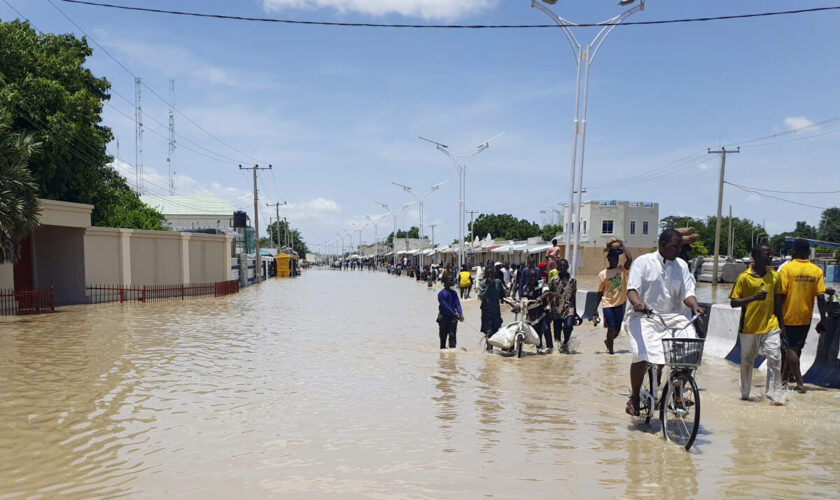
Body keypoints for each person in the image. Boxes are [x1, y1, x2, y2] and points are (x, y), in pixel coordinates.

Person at [624, 229, 706, 416]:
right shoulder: (643, 263)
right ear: (662, 245)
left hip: (673, 316)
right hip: (644, 316)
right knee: (641, 355)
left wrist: (695, 306)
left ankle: (676, 392)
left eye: (680, 247)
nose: (678, 250)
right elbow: (632, 290)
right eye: (674, 247)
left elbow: (688, 294)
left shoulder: (682, 266)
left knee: (690, 353)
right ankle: (635, 396)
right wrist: (638, 304)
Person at [729, 243, 785, 405]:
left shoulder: (775, 276)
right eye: (767, 254)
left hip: (771, 324)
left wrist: (782, 326)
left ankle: (773, 394)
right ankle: (745, 394)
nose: (771, 256)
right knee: (747, 360)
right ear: (756, 257)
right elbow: (733, 302)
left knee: (775, 357)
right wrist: (753, 298)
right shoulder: (743, 277)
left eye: (771, 254)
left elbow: (778, 303)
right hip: (749, 327)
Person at [778, 238, 832, 393]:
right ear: (809, 252)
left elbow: (781, 295)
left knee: (791, 348)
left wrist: (779, 319)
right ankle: (784, 379)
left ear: (793, 252)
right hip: (806, 316)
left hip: (789, 316)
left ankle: (799, 383)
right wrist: (823, 319)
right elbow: (820, 297)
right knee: (797, 347)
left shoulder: (787, 269)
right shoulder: (816, 270)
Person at [597, 238, 633, 354]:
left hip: (621, 303)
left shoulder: (622, 270)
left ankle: (608, 341)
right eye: (611, 258)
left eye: (615, 258)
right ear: (608, 259)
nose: (614, 260)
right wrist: (594, 309)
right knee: (611, 327)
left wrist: (623, 245)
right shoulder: (603, 274)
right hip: (607, 304)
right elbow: (599, 293)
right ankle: (611, 352)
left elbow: (630, 259)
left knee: (617, 330)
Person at [548, 258, 577, 353]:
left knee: (568, 327)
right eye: (561, 265)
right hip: (556, 309)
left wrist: (575, 312)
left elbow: (573, 296)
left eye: (565, 265)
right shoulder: (553, 280)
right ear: (558, 267)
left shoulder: (572, 280)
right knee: (557, 333)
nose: (563, 267)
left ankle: (566, 342)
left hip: (569, 308)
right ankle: (558, 350)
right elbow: (549, 294)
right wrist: (550, 309)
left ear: (568, 267)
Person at [522, 266, 552, 353]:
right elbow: (523, 298)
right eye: (531, 277)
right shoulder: (526, 288)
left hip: (543, 311)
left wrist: (541, 297)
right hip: (533, 314)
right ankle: (539, 350)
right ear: (527, 277)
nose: (533, 278)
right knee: (537, 333)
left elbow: (547, 292)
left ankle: (551, 349)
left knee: (546, 329)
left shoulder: (542, 283)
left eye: (534, 276)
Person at [479, 266, 506, 352]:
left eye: (492, 274)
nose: (491, 276)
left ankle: (492, 350)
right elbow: (482, 297)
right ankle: (489, 352)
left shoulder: (498, 282)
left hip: (496, 313)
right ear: (486, 275)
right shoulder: (482, 284)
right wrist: (488, 286)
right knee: (489, 333)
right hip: (486, 314)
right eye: (489, 275)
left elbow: (503, 297)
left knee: (496, 332)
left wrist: (512, 304)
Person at [437, 274, 464, 349]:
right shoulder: (441, 294)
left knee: (452, 337)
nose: (451, 281)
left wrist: (460, 314)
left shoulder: (454, 293)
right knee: (443, 338)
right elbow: (444, 306)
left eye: (452, 280)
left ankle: (452, 358)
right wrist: (455, 314)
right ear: (445, 282)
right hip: (443, 317)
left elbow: (458, 304)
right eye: (450, 280)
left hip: (453, 319)